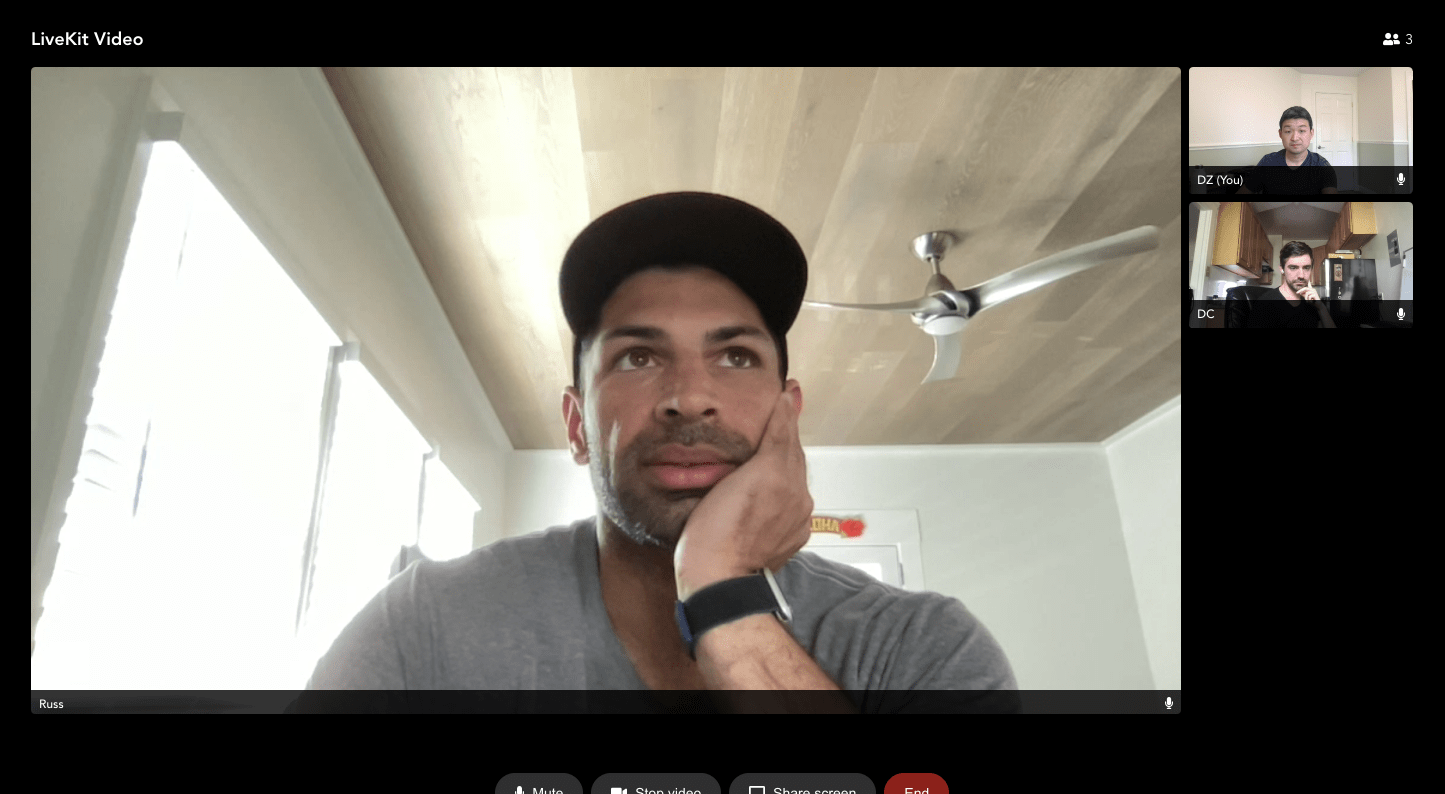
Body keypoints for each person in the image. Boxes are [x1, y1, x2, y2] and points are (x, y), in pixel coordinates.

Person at [304, 192, 1018, 711]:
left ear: (788, 413)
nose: (689, 397)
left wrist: (721, 592)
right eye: (638, 357)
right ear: (577, 426)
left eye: (735, 357)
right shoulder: (423, 626)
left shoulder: (922, 647)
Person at [1225, 240, 1336, 328]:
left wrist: (1321, 307)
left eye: (1306, 268)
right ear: (1282, 269)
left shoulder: (1312, 302)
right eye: (1293, 267)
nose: (1301, 275)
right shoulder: (1265, 305)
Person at [1237, 107, 1338, 195]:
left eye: (1301, 131)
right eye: (1288, 131)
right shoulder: (1268, 162)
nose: (1294, 138)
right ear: (1280, 134)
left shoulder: (1322, 166)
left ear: (1311, 133)